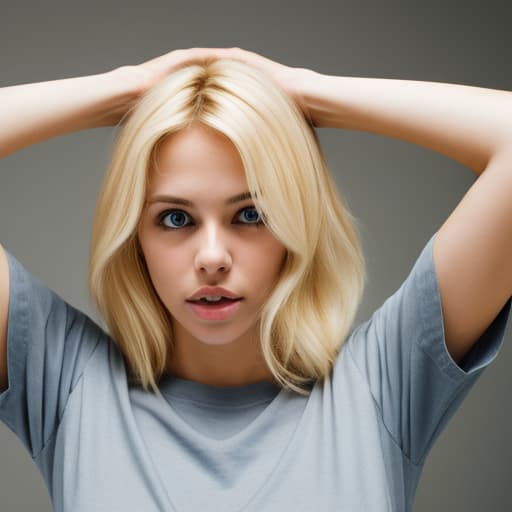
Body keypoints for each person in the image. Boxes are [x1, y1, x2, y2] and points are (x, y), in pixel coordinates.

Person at [0, 47, 511, 511]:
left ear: (297, 224)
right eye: (176, 219)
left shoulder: (379, 387)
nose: (213, 257)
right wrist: (126, 88)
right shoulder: (66, 383)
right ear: (135, 236)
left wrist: (307, 90)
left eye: (251, 215)